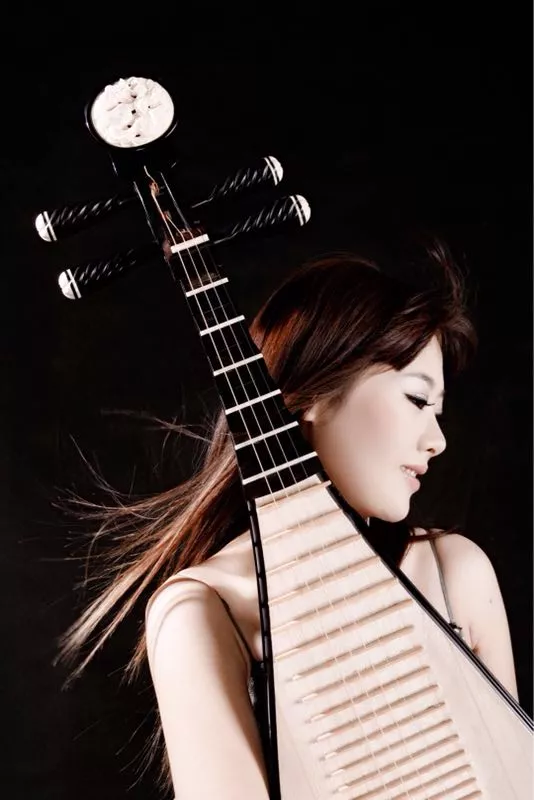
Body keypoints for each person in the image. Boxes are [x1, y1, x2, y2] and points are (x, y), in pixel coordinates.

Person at [58, 241, 518, 798]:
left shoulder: (456, 572)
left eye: (439, 412)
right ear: (316, 394)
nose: (437, 440)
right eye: (418, 401)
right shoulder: (201, 611)